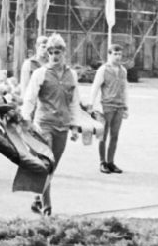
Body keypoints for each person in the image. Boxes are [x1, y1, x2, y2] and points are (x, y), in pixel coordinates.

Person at [22, 33, 83, 216]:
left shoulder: (71, 74)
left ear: (64, 52)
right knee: (46, 164)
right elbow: (30, 98)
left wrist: (74, 126)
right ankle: (47, 208)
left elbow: (74, 101)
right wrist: (26, 119)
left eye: (58, 52)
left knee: (52, 167)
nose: (55, 56)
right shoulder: (40, 74)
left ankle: (38, 197)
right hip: (44, 125)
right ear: (47, 53)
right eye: (51, 52)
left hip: (62, 126)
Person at [89, 44, 129, 174]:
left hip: (119, 106)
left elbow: (125, 89)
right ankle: (102, 161)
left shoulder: (123, 70)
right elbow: (95, 87)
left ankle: (111, 161)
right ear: (109, 54)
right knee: (103, 135)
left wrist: (126, 106)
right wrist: (91, 104)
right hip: (106, 106)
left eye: (120, 54)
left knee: (115, 135)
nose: (118, 57)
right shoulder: (103, 70)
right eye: (115, 54)